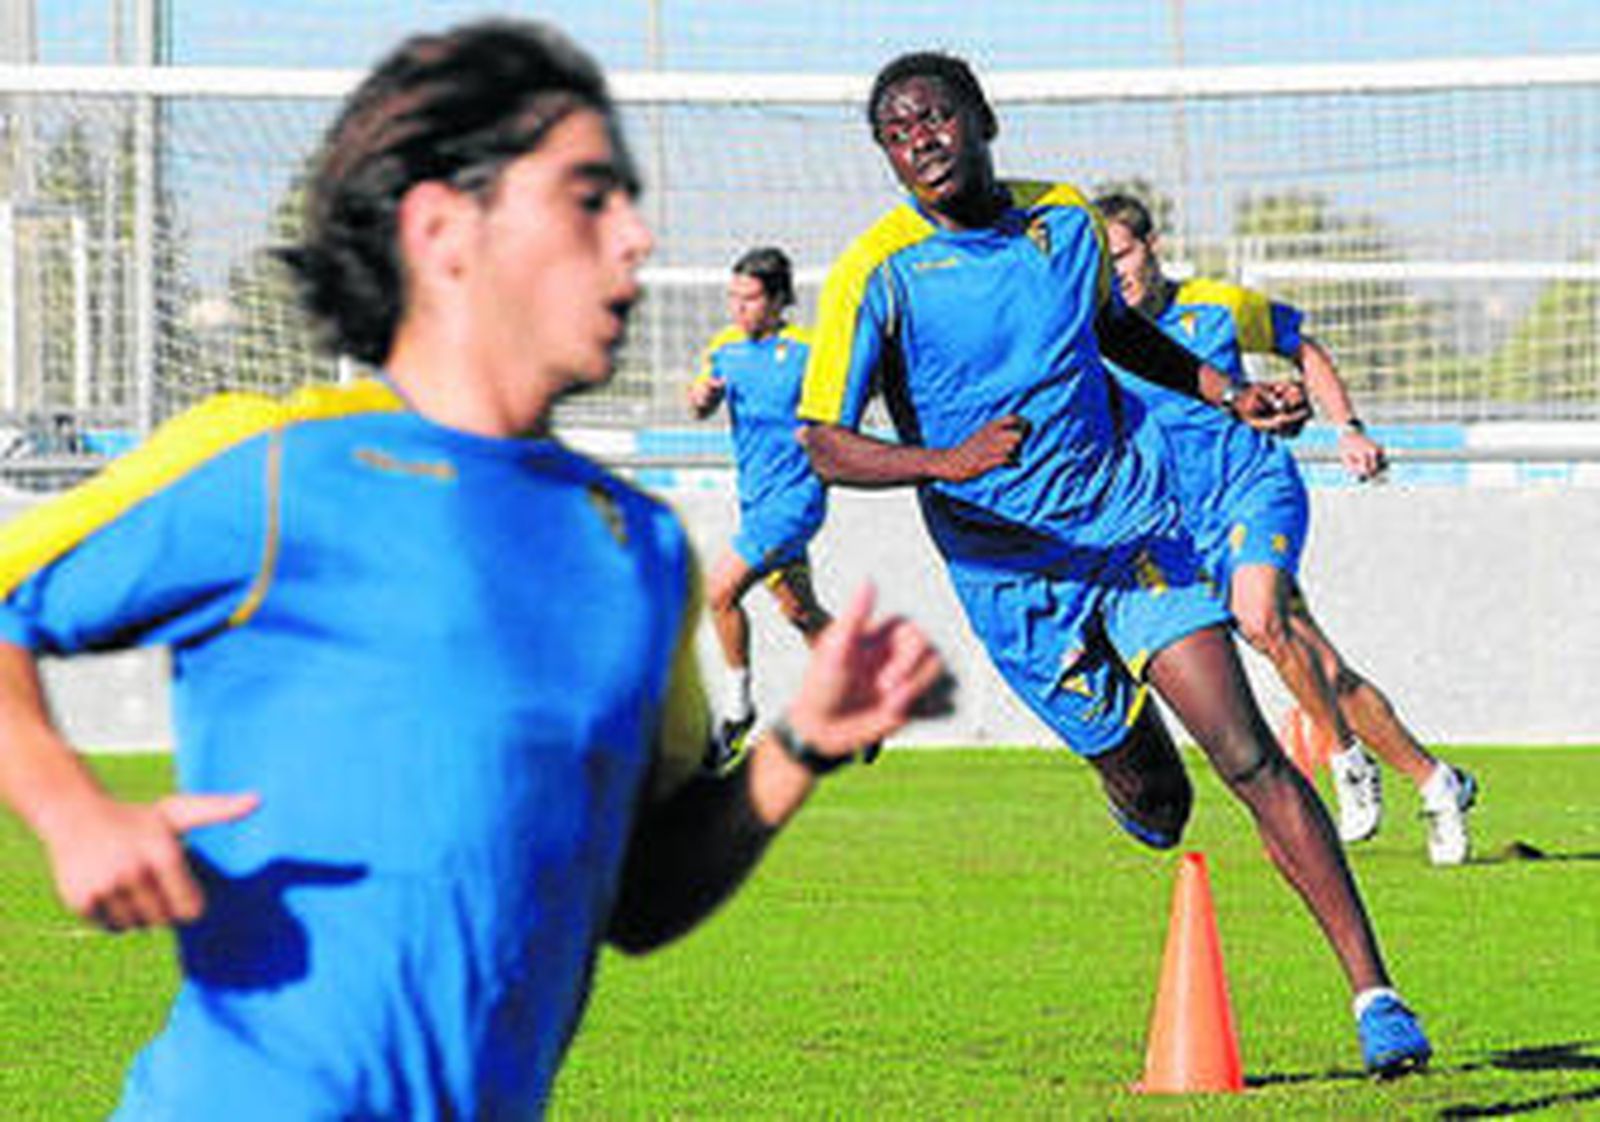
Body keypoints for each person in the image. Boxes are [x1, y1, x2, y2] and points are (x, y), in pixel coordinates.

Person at [0, 20, 948, 1118]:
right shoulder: (278, 466)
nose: (637, 237)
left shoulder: (635, 547)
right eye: (588, 199)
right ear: (444, 228)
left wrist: (799, 744)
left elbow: (640, 895)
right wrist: (71, 810)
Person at [797, 50, 1431, 1077]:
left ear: (982, 118)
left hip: (1128, 530)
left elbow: (1116, 331)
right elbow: (823, 441)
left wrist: (1226, 392)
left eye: (936, 116)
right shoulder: (877, 271)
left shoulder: (1063, 219)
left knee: (1248, 752)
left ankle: (1377, 997)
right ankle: (1123, 763)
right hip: (1012, 576)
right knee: (1159, 802)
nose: (921, 140)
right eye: (897, 132)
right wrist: (943, 462)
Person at [1094, 191, 1479, 867]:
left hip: (1255, 491)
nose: (1117, 273)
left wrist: (1347, 427)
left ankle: (1343, 759)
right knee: (1319, 666)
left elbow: (1301, 345)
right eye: (1105, 263)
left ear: (1151, 247)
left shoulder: (1219, 305)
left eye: (1123, 254)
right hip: (1183, 529)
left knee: (1260, 621)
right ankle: (1435, 781)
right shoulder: (1100, 338)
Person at [689, 247, 833, 766]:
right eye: (733, 297)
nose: (738, 308)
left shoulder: (808, 350)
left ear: (777, 300)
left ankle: (737, 710)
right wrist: (702, 397)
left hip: (796, 501)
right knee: (800, 611)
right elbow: (698, 403)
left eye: (749, 298)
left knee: (719, 592)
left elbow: (843, 404)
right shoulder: (724, 348)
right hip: (755, 501)